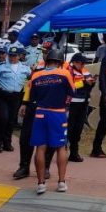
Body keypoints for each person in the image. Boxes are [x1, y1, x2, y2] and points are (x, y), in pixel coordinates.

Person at [28, 49, 74, 194]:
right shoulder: (64, 73)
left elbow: (32, 96)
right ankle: (61, 182)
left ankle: (41, 184)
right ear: (60, 62)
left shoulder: (36, 75)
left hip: (40, 113)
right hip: (58, 113)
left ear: (47, 61)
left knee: (40, 148)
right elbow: (72, 91)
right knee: (61, 147)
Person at [0, 46, 30, 153]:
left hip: (16, 97)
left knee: (11, 120)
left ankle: (7, 143)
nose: (12, 57)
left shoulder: (25, 68)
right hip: (2, 96)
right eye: (10, 55)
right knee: (3, 118)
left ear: (19, 56)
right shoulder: (2, 66)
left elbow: (31, 78)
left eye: (14, 56)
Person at [65, 53, 95, 161]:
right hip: (72, 104)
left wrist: (92, 82)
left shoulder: (85, 71)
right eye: (81, 63)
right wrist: (83, 82)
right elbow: (69, 86)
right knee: (69, 129)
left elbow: (90, 82)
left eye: (83, 63)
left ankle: (74, 153)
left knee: (78, 129)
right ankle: (63, 152)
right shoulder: (68, 71)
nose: (82, 65)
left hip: (83, 104)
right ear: (74, 62)